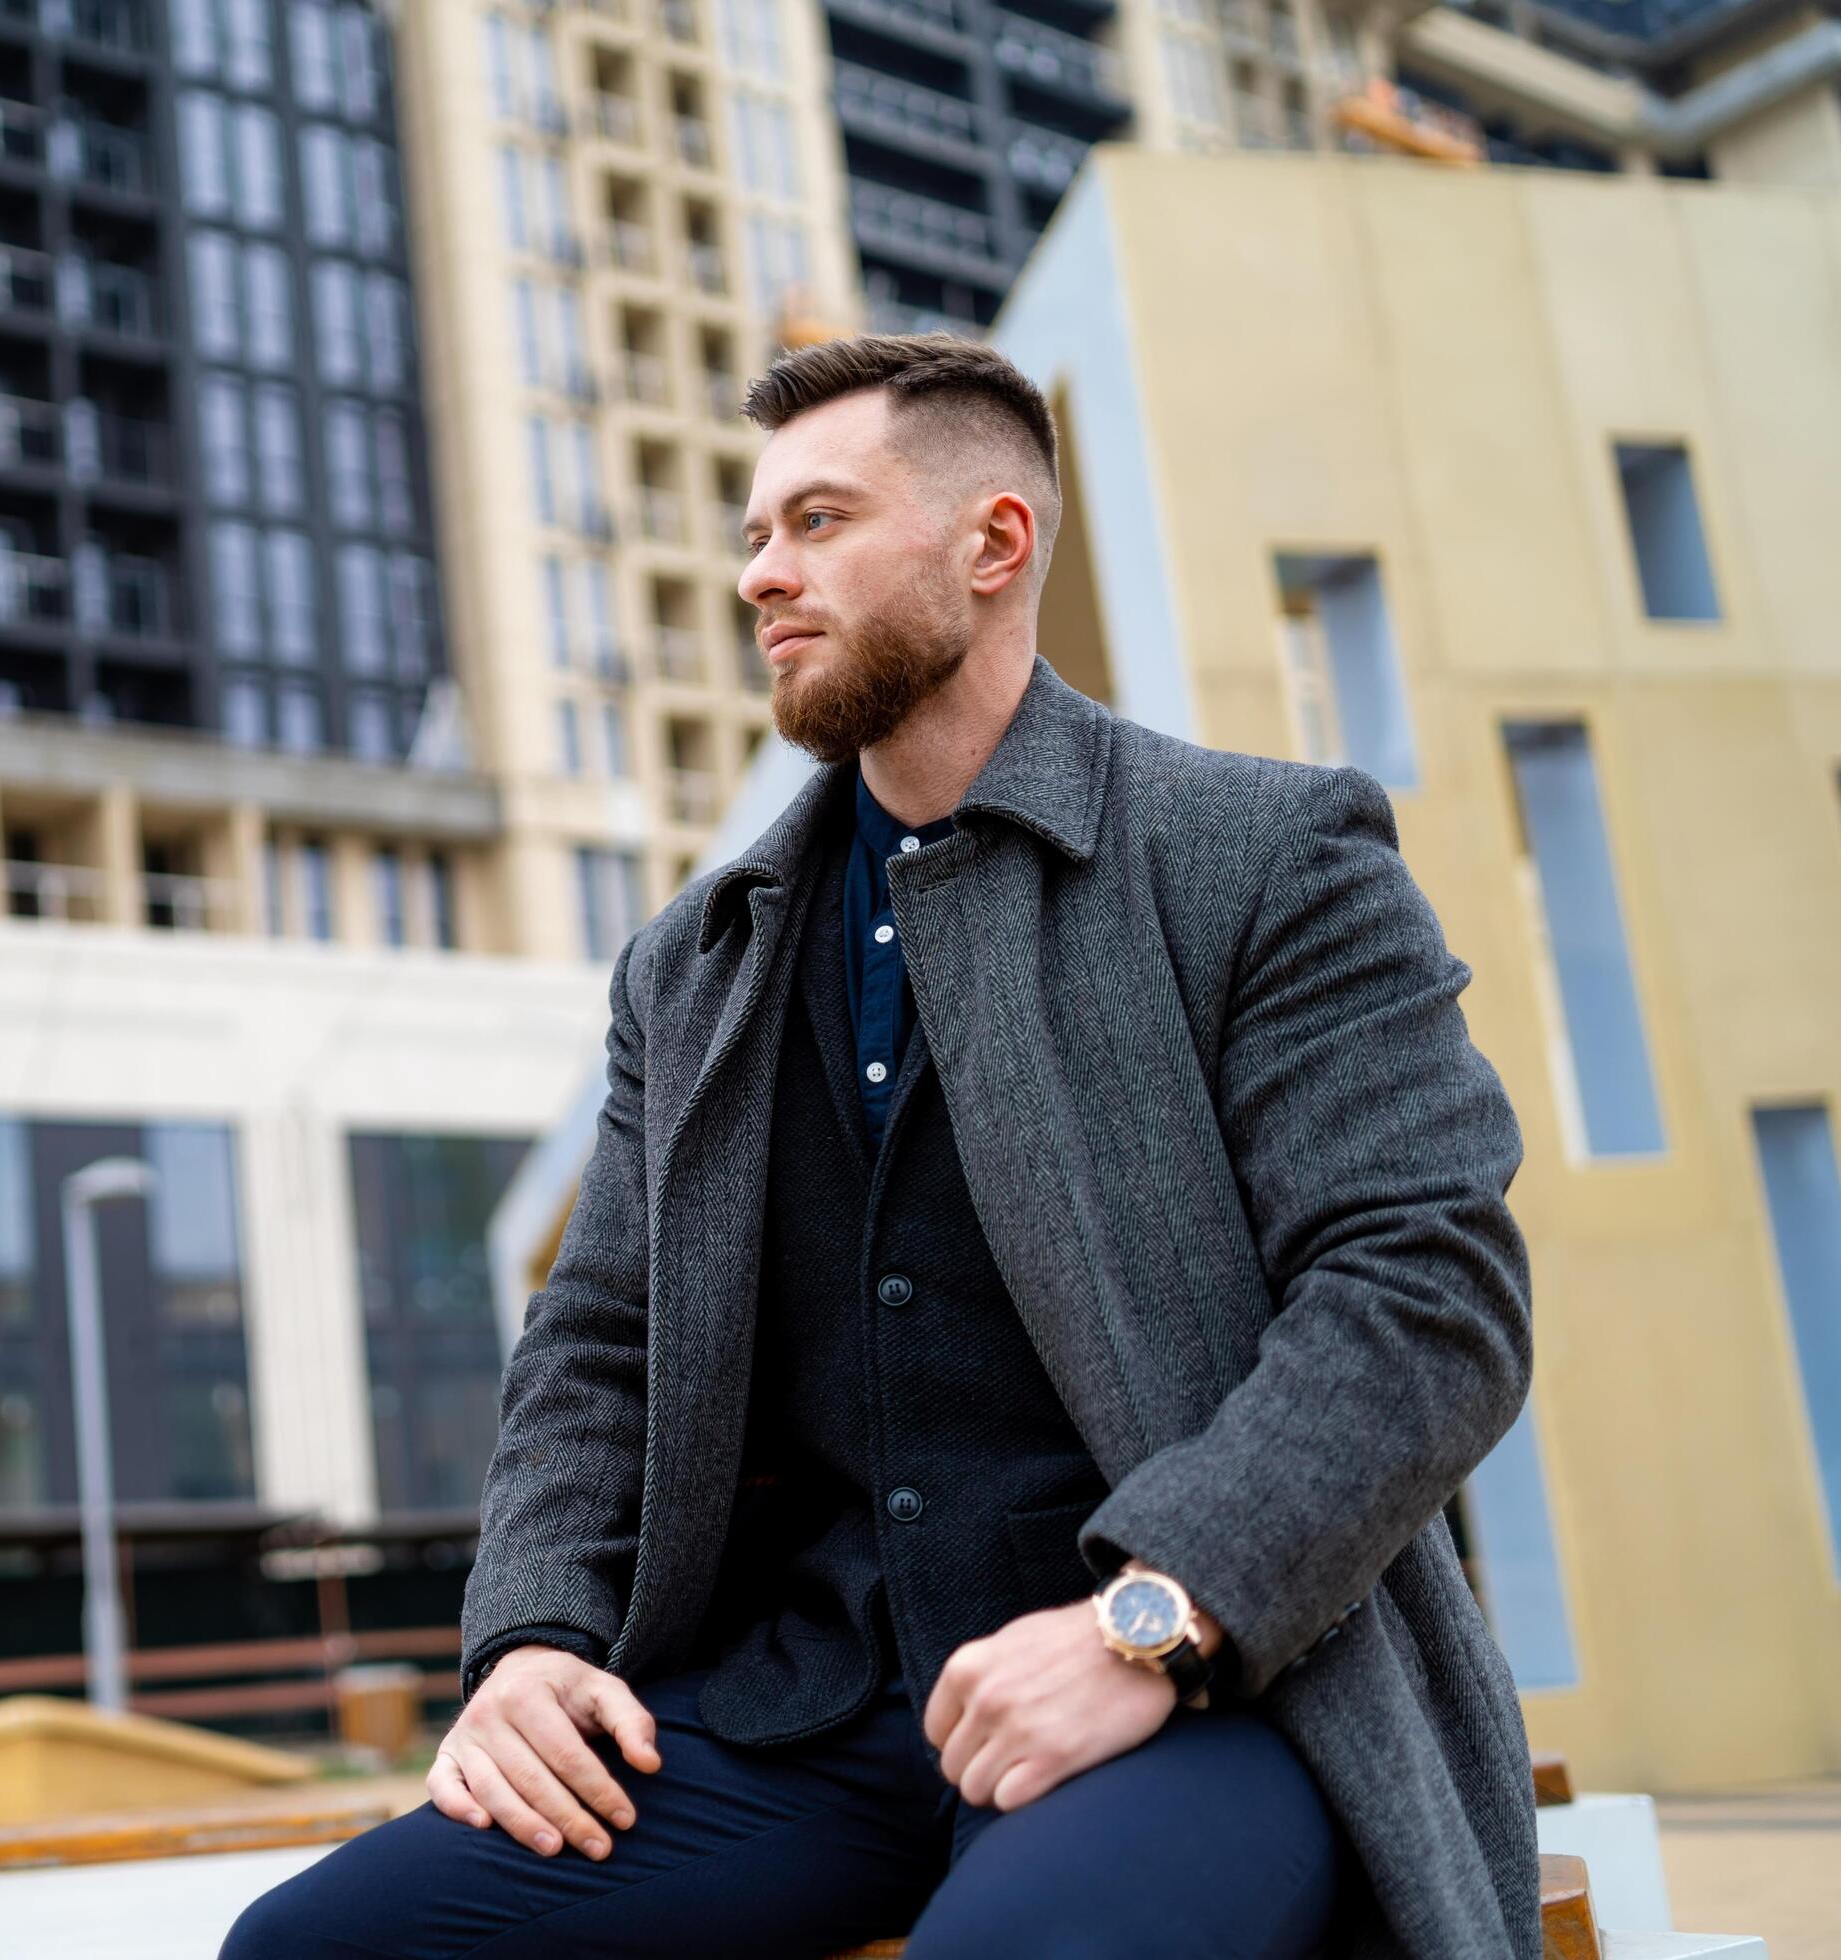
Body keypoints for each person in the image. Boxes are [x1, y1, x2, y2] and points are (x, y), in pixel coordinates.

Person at [224, 334, 1538, 1959]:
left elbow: (1427, 1297)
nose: (764, 575)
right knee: (319, 1951)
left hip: (1214, 1690)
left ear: (993, 546)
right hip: (813, 1717)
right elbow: (598, 1343)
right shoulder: (696, 961)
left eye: (820, 522)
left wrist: (1149, 1624)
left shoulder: (1262, 854)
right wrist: (532, 1637)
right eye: (755, 535)